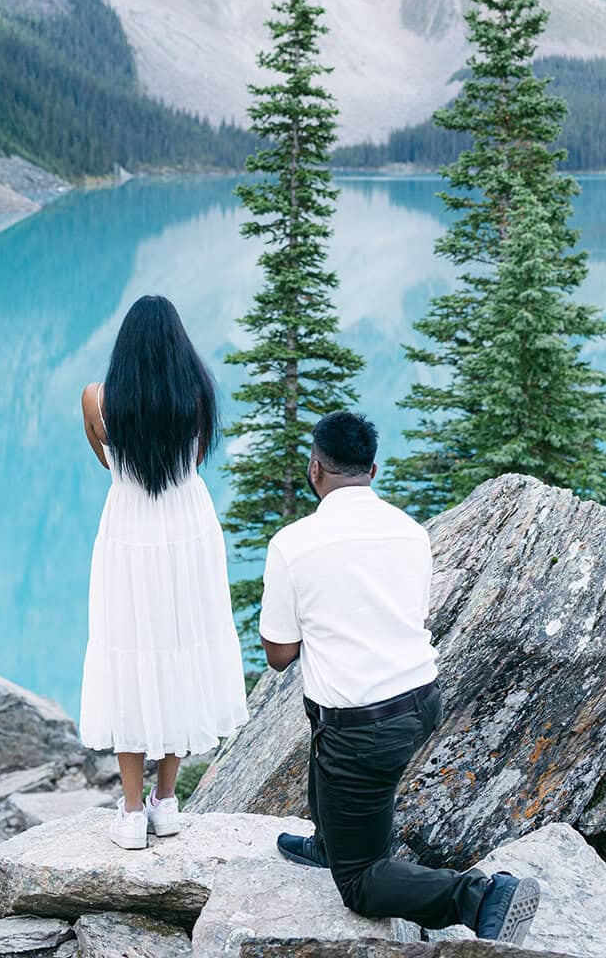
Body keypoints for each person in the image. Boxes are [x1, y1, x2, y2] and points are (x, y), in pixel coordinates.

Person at [259, 409, 540, 944]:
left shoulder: (293, 544)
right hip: (420, 702)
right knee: (327, 723)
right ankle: (329, 842)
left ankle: (481, 897)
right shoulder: (411, 532)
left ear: (315, 468)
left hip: (362, 726)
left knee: (361, 883)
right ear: (373, 470)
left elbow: (279, 654)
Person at [79, 294, 248, 849]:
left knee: (128, 651)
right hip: (185, 527)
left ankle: (131, 813)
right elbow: (193, 462)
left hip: (128, 528)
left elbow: (109, 462)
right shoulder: (196, 396)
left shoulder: (96, 398)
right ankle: (166, 802)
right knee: (181, 648)